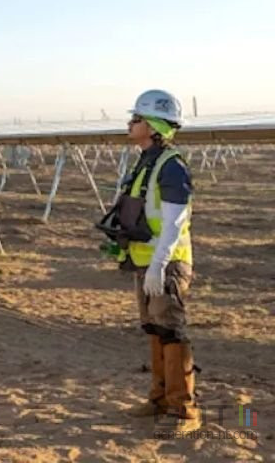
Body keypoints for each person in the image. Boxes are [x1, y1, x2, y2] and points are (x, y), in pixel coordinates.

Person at [112, 90, 199, 434]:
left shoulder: (171, 166)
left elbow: (175, 222)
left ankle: (184, 409)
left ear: (152, 126)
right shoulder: (147, 162)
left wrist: (160, 264)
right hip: (146, 261)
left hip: (167, 263)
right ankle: (160, 399)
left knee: (172, 331)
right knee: (155, 328)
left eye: (136, 119)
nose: (130, 123)